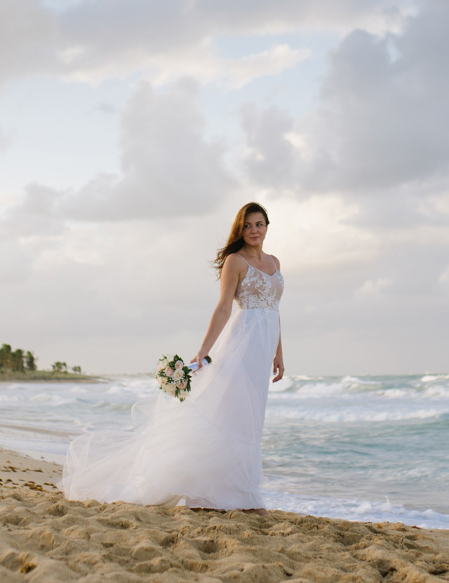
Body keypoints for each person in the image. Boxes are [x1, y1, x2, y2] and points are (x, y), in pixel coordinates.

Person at [61, 202, 285, 511]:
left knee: (251, 420)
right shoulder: (235, 261)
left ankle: (234, 493)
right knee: (233, 415)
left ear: (267, 226)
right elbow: (222, 308)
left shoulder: (274, 262)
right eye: (248, 225)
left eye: (259, 224)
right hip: (242, 345)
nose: (254, 230)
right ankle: (231, 496)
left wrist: (279, 354)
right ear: (240, 229)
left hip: (263, 349)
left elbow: (274, 311)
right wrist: (203, 351)